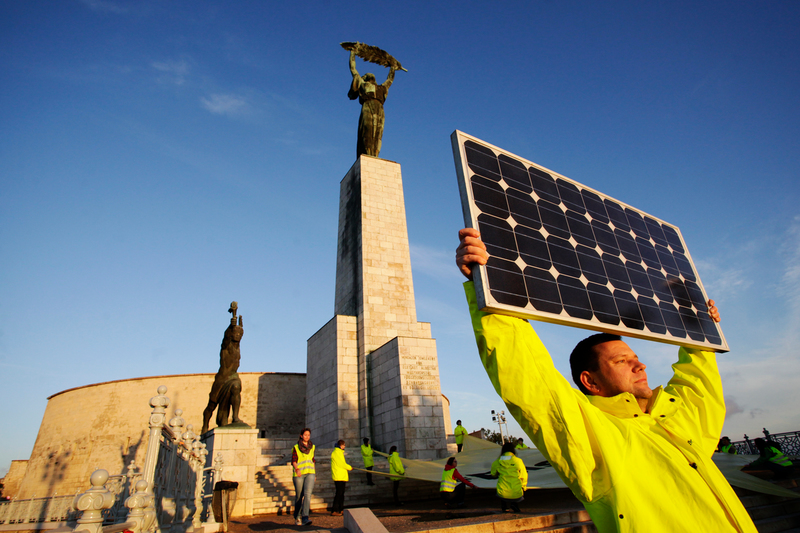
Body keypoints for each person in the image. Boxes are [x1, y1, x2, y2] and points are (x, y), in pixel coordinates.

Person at [456, 228, 758, 533]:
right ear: (591, 382)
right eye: (621, 361)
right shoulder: (594, 440)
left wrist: (701, 332)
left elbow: (698, 382)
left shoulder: (680, 425)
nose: (640, 365)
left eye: (635, 357)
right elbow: (529, 379)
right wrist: (490, 287)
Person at [201, 303, 244, 434]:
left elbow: (239, 332)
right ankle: (205, 425)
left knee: (236, 387)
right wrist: (230, 326)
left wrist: (238, 326)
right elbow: (226, 338)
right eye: (235, 333)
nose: (237, 335)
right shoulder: (226, 347)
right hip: (222, 378)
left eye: (239, 334)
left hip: (233, 377)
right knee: (212, 405)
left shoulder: (237, 348)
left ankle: (235, 417)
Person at [348, 48, 395, 158]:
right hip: (368, 106)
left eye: (365, 76)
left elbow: (390, 80)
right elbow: (353, 69)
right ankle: (366, 154)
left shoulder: (381, 88)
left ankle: (374, 156)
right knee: (367, 131)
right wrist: (352, 54)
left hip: (379, 109)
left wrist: (392, 68)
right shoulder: (363, 84)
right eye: (363, 76)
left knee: (378, 134)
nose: (364, 76)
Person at [491, 442, 527, 512]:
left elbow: (493, 474)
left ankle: (504, 506)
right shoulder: (518, 461)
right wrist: (523, 487)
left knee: (502, 486)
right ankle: (514, 504)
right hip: (517, 493)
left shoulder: (497, 462)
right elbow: (524, 476)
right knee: (515, 488)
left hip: (502, 493)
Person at [291, 428, 315, 526]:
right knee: (299, 496)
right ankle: (297, 516)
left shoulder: (312, 447)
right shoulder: (296, 447)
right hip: (299, 474)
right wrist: (297, 469)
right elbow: (293, 460)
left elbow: (313, 460)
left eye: (308, 435)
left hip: (310, 473)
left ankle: (305, 517)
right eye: (305, 435)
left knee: (308, 494)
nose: (307, 437)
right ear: (301, 436)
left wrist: (314, 473)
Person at [330, 440, 353, 516]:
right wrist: (349, 467)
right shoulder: (336, 453)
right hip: (338, 476)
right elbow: (341, 464)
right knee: (339, 493)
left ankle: (341, 508)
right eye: (343, 445)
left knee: (342, 493)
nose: (344, 446)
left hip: (342, 475)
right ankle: (335, 509)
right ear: (340, 445)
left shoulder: (339, 453)